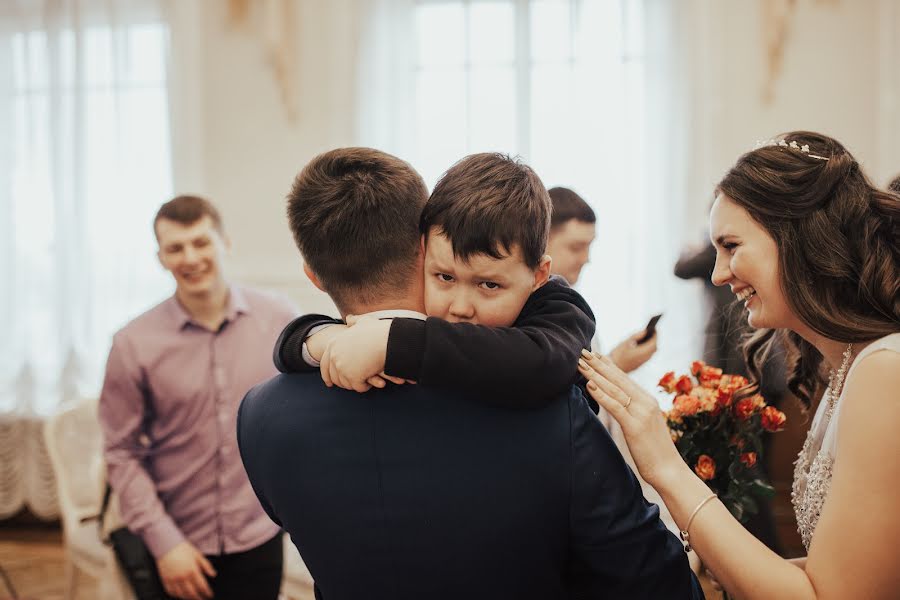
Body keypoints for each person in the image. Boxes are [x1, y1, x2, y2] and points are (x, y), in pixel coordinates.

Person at [238, 148, 702, 599]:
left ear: (312, 275)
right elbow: (652, 577)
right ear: (425, 247)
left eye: (487, 284)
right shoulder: (546, 411)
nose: (462, 304)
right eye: (447, 278)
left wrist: (327, 339)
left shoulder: (259, 416)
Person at [578, 131, 900, 598]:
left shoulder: (882, 371)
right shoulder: (849, 369)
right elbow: (854, 568)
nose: (717, 272)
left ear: (798, 239)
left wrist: (666, 465)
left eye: (731, 246)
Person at [99, 195, 298, 600]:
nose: (190, 258)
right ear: (160, 258)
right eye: (175, 248)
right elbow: (120, 453)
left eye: (201, 242)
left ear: (225, 242)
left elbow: (301, 414)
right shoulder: (131, 344)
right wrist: (165, 543)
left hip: (259, 534)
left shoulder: (280, 318)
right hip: (177, 542)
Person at [547, 186, 658, 372]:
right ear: (541, 241)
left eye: (589, 246)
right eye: (576, 248)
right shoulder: (530, 313)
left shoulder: (572, 300)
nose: (586, 259)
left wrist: (615, 360)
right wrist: (616, 365)